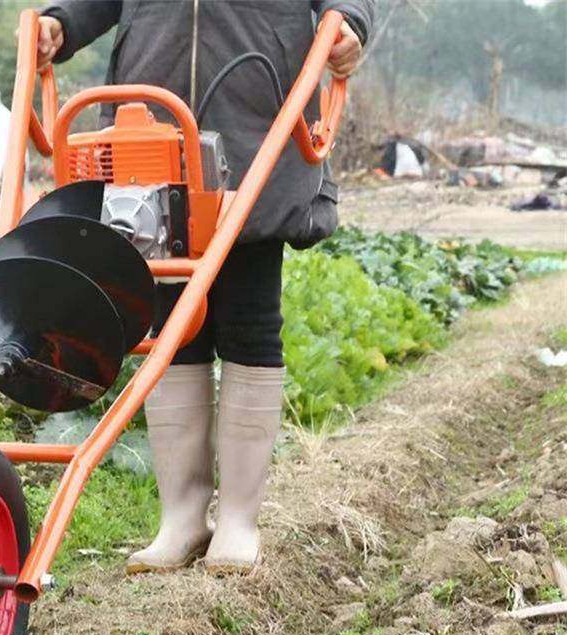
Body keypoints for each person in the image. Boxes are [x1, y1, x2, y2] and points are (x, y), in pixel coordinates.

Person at [35, 0, 374, 575]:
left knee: (249, 318)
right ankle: (183, 517)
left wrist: (349, 22)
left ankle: (239, 519)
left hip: (260, 115)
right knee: (172, 325)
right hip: (150, 123)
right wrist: (61, 22)